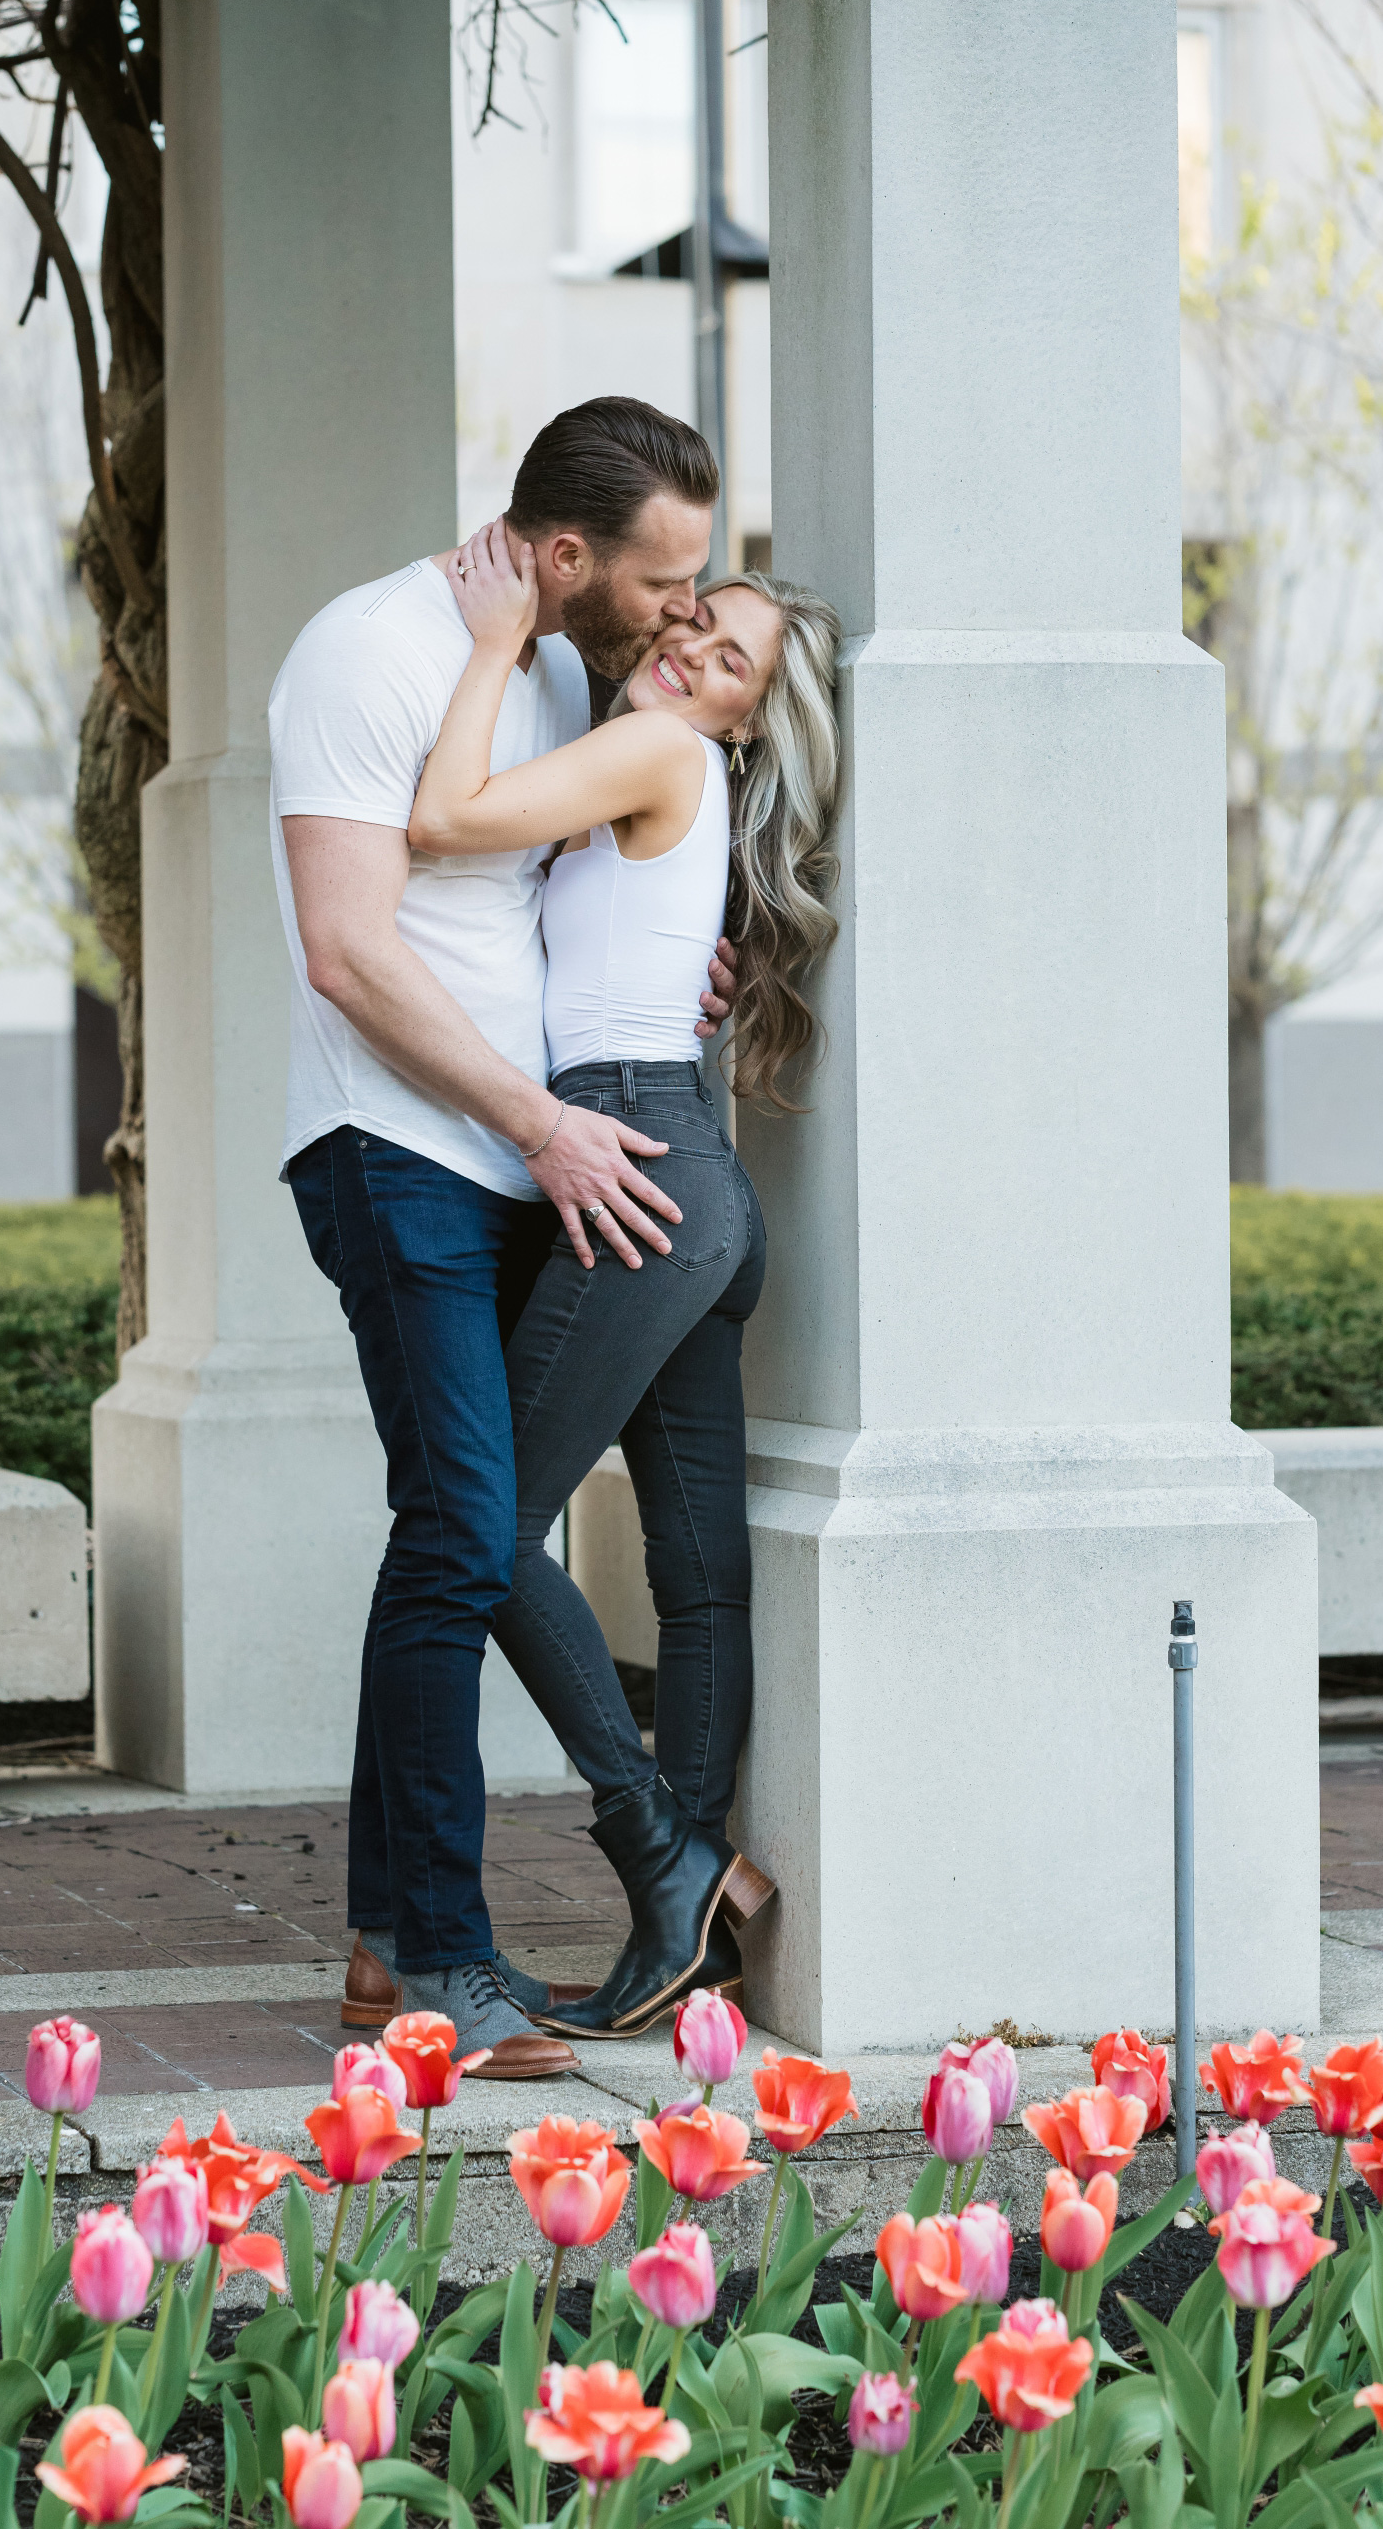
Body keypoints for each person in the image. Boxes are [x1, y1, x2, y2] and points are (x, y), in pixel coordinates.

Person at [274, 397, 724, 2077]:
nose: (681, 609)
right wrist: (536, 1121)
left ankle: (394, 1955)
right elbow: (349, 946)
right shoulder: (368, 649)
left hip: (520, 1161)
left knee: (451, 1536)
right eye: (659, 578)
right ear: (560, 553)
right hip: (400, 1155)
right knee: (467, 1532)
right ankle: (447, 1967)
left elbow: (524, 891)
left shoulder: (541, 671)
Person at [409, 520, 843, 2038]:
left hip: (641, 1172)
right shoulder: (665, 776)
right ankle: (695, 1885)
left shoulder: (656, 751)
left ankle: (657, 1848)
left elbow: (442, 817)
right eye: (696, 621)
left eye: (730, 661)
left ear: (739, 716)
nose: (690, 652)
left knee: (483, 1521)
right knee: (694, 1567)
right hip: (687, 1176)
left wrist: (482, 646)